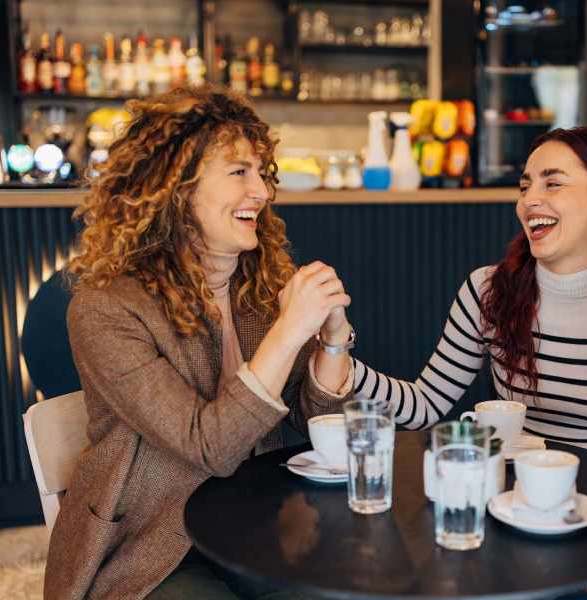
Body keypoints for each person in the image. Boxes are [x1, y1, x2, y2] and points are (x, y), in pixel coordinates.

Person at [352, 126, 587, 591]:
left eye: (552, 182)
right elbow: (425, 403)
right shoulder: (488, 292)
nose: (529, 200)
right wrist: (340, 357)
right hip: (513, 498)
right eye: (526, 186)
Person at [43, 86, 355, 600]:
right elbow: (207, 446)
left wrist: (334, 344)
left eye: (262, 173)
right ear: (176, 187)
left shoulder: (259, 288)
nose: (262, 192)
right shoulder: (107, 309)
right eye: (239, 173)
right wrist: (290, 329)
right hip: (154, 544)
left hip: (260, 525)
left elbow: (312, 423)